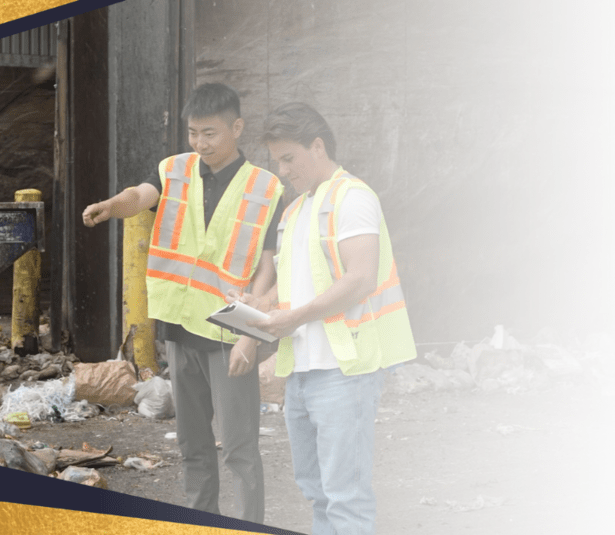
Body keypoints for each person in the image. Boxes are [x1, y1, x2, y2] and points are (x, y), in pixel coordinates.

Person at [82, 83, 283, 523]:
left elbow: (268, 266)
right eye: (193, 133)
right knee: (192, 446)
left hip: (230, 333)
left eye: (209, 133)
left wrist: (252, 333)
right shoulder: (174, 170)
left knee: (239, 446)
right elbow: (140, 196)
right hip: (180, 327)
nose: (200, 143)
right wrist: (111, 205)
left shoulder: (266, 187)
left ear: (237, 127)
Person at [233, 102, 416, 535]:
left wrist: (291, 318)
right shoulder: (297, 210)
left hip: (344, 368)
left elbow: (360, 278)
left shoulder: (352, 198)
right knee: (317, 492)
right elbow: (296, 283)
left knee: (345, 496)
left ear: (318, 146)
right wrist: (259, 305)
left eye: (288, 158)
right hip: (303, 369)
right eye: (277, 160)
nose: (282, 170)